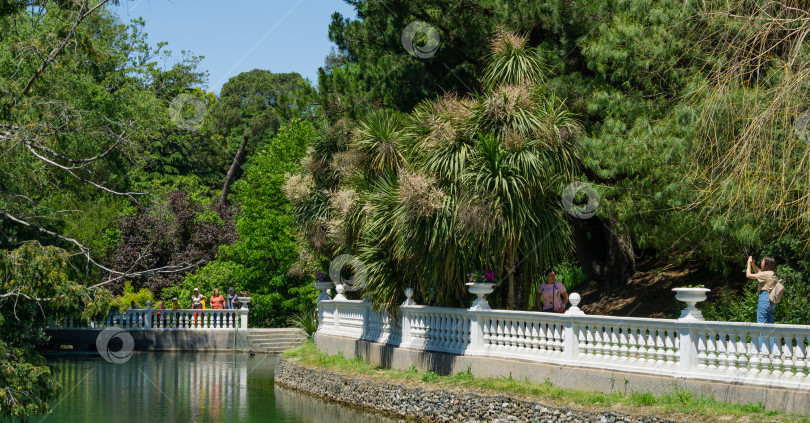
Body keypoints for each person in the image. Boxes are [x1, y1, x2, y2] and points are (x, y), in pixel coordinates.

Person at [746, 255, 777, 324]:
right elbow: (759, 273)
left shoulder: (765, 274)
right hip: (772, 299)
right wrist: (753, 263)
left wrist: (748, 264)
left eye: (762, 261)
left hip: (765, 297)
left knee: (761, 322)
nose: (761, 262)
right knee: (770, 322)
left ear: (766, 263)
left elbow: (748, 275)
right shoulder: (771, 273)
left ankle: (762, 335)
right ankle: (771, 335)